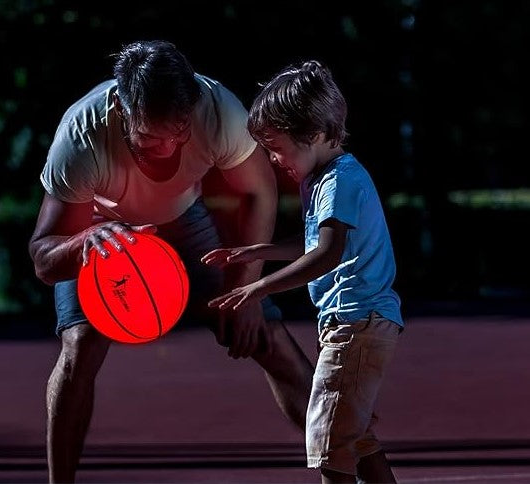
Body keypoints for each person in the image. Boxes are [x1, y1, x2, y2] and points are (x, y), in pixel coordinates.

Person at [28, 40, 314, 483]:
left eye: (176, 133)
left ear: (192, 108)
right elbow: (44, 260)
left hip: (184, 220)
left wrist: (247, 291)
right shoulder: (82, 135)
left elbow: (259, 192)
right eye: (148, 137)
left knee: (264, 333)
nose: (164, 148)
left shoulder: (218, 111)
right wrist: (84, 240)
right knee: (80, 346)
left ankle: (343, 460)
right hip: (105, 231)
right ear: (122, 112)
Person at [203, 60, 404, 484]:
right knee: (355, 436)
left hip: (357, 321)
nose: (274, 160)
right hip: (354, 321)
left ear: (313, 135)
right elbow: (317, 242)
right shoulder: (323, 179)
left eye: (277, 148)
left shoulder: (340, 181)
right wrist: (256, 251)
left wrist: (258, 287)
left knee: (328, 444)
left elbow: (327, 255)